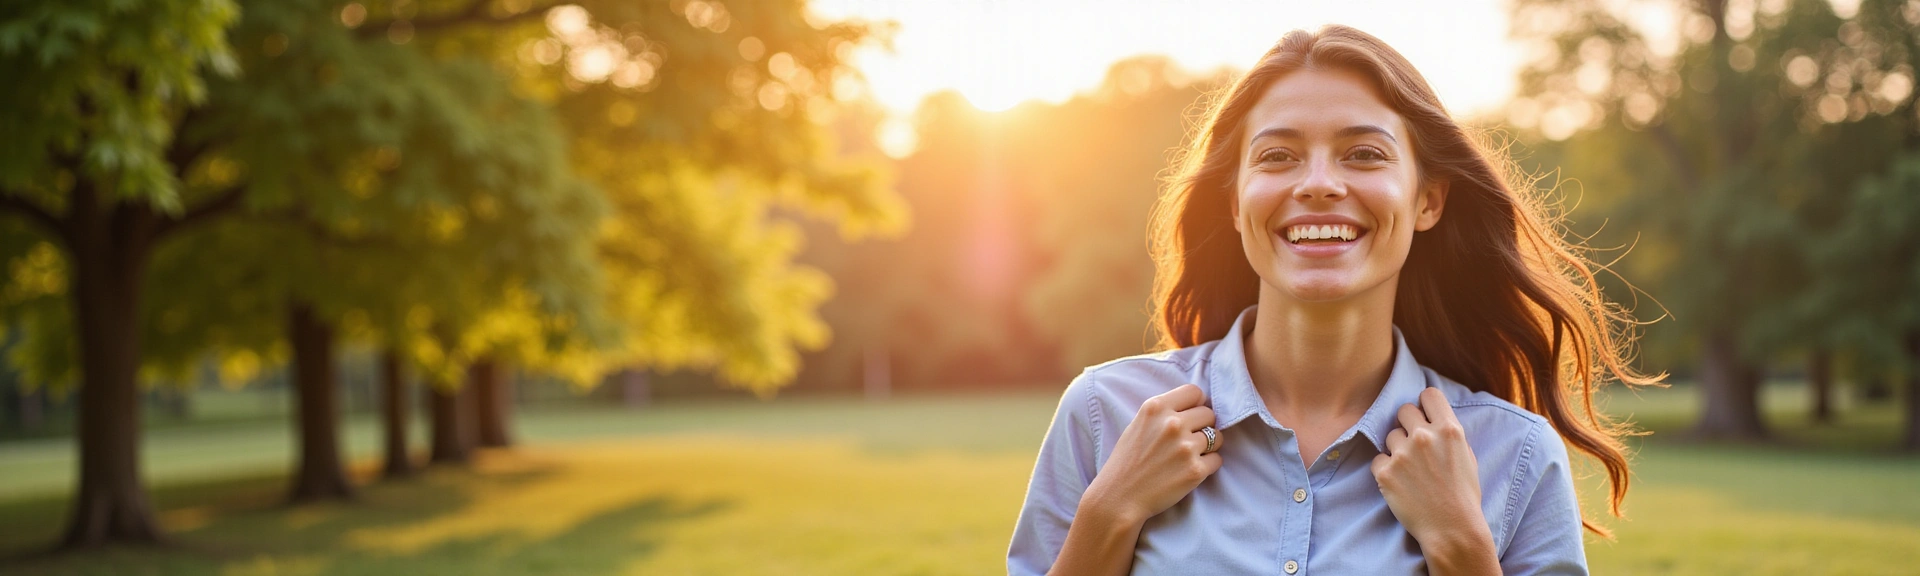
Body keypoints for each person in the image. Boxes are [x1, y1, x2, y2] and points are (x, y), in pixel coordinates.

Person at [1007, 24, 1659, 575]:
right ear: (1236, 204)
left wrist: (1462, 549)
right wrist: (1107, 515)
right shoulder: (1105, 417)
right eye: (1279, 156)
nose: (1319, 184)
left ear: (1427, 199)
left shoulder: (1513, 455)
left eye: (1364, 154)